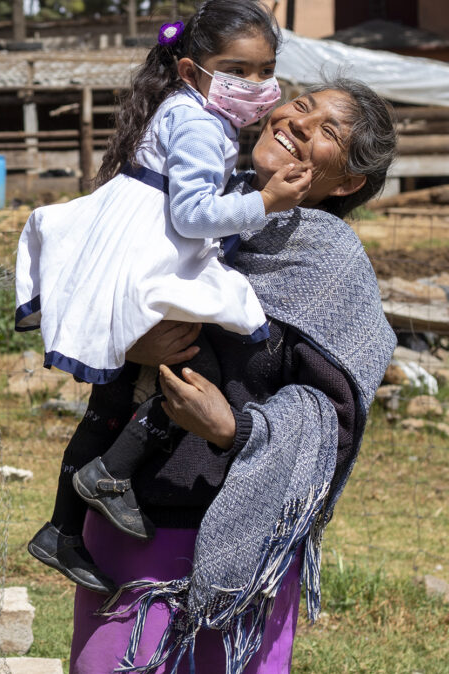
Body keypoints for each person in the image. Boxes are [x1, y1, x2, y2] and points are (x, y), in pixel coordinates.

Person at [68, 79, 399, 674]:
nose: (299, 123)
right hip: (125, 516)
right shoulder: (186, 206)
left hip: (238, 540)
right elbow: (89, 300)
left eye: (327, 131)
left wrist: (235, 429)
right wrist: (127, 339)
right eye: (301, 106)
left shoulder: (331, 267)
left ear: (348, 182)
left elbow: (334, 418)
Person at [18, 0, 312, 595]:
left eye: (265, 70)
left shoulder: (181, 109)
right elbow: (195, 212)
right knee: (196, 359)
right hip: (152, 256)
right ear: (189, 70)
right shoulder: (204, 124)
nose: (257, 85)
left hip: (133, 245)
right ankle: (109, 476)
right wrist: (266, 202)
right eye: (238, 69)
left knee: (115, 394)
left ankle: (62, 529)